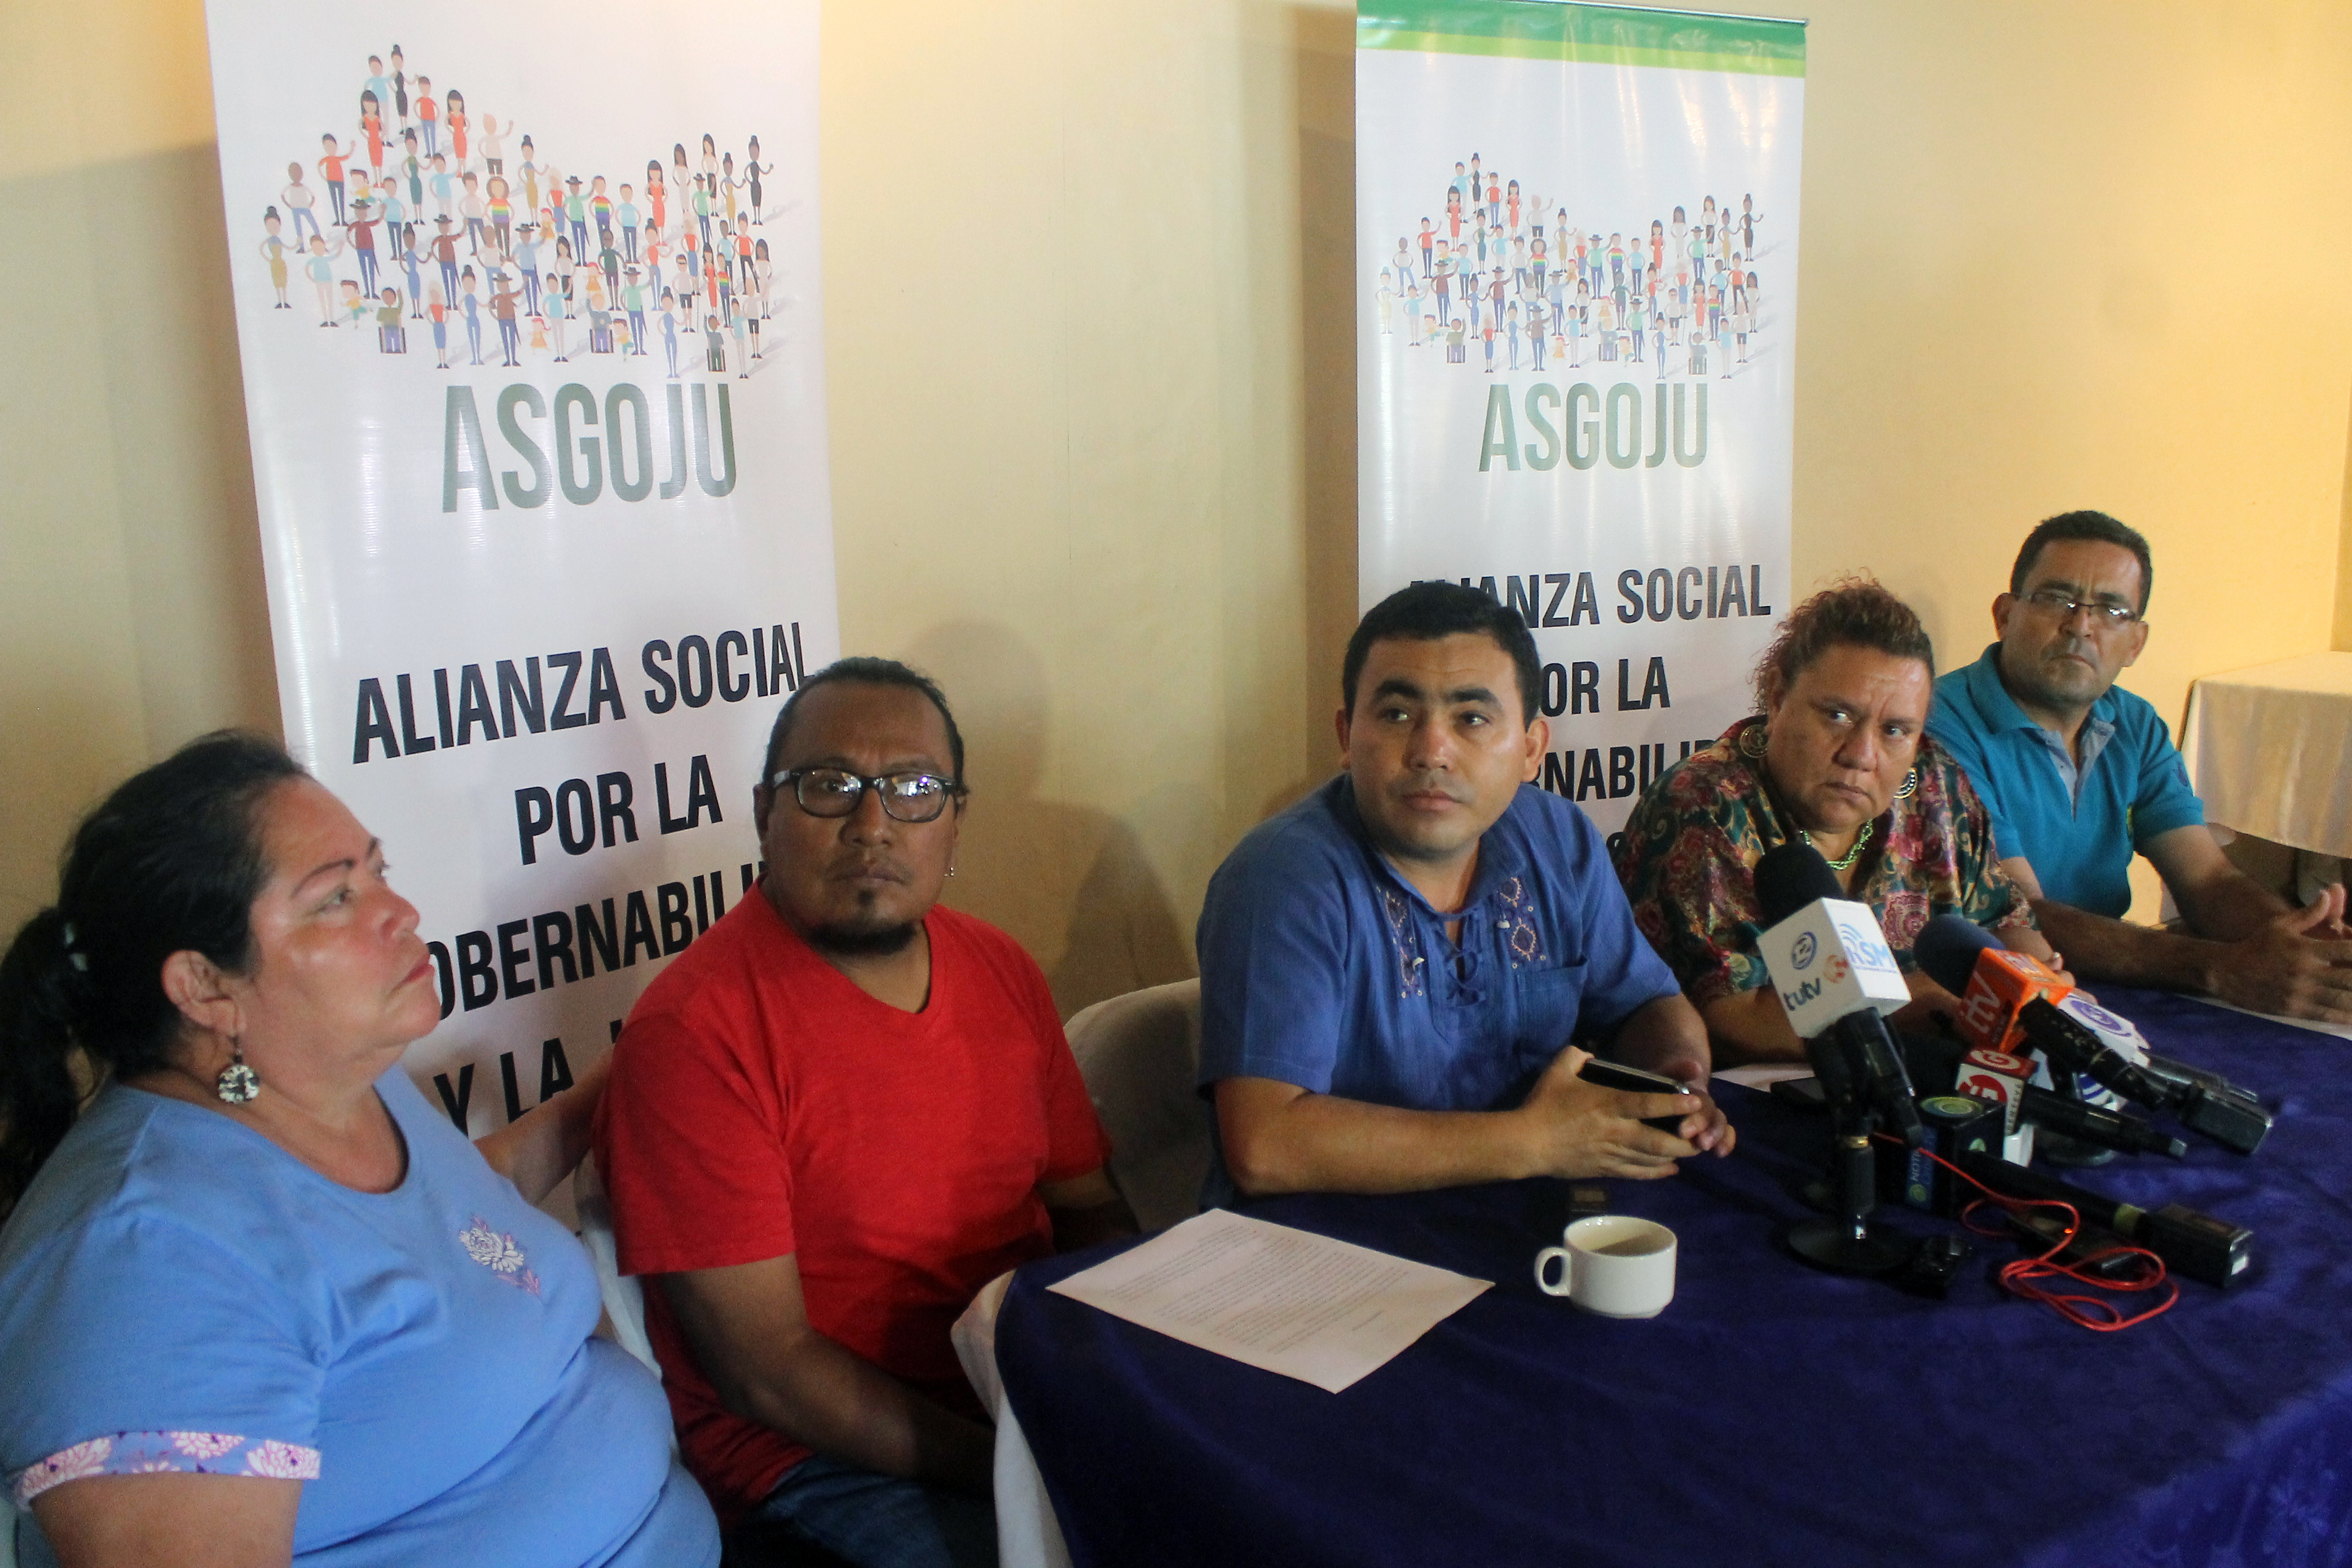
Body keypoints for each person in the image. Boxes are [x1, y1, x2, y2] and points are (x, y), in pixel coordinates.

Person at [0, 733, 717, 1566]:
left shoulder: (343, 1086)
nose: (400, 911)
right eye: (335, 898)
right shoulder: (139, 1261)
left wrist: (640, 1063)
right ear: (204, 987)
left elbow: (453, 1230)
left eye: (379, 871)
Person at [592, 658, 1130, 1568]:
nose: (872, 823)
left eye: (914, 789)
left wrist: (1133, 1385)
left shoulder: (1000, 967)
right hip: (824, 1465)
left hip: (1017, 1394)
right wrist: (1022, 1465)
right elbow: (769, 1372)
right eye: (829, 785)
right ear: (764, 813)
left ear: (955, 821)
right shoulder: (695, 1033)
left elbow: (1088, 1207)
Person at [1195, 582, 1732, 1207]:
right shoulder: (1281, 880)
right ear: (1346, 735)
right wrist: (1533, 1142)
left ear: (1531, 749)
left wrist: (1677, 1081)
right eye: (1396, 715)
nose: (1431, 751)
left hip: (1517, 1215)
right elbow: (1264, 1147)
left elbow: (1647, 1005)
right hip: (1325, 1242)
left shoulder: (1558, 840)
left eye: (1471, 718)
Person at [1927, 509, 2352, 1022]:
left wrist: (2294, 941)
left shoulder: (2135, 724)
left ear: (2136, 643)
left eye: (2112, 610)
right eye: (2057, 598)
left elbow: (2208, 880)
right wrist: (2221, 968)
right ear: (2005, 615)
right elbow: (2018, 912)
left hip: (2114, 986)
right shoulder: (1939, 725)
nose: (2080, 626)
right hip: (1992, 1000)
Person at [1614, 579, 2059, 1064]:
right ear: (1778, 697)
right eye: (1839, 716)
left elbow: (2009, 927)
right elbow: (1734, 1019)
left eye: (1895, 730)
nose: (1862, 755)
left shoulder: (1936, 786)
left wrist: (2039, 993)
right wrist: (1926, 1000)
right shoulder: (1707, 806)